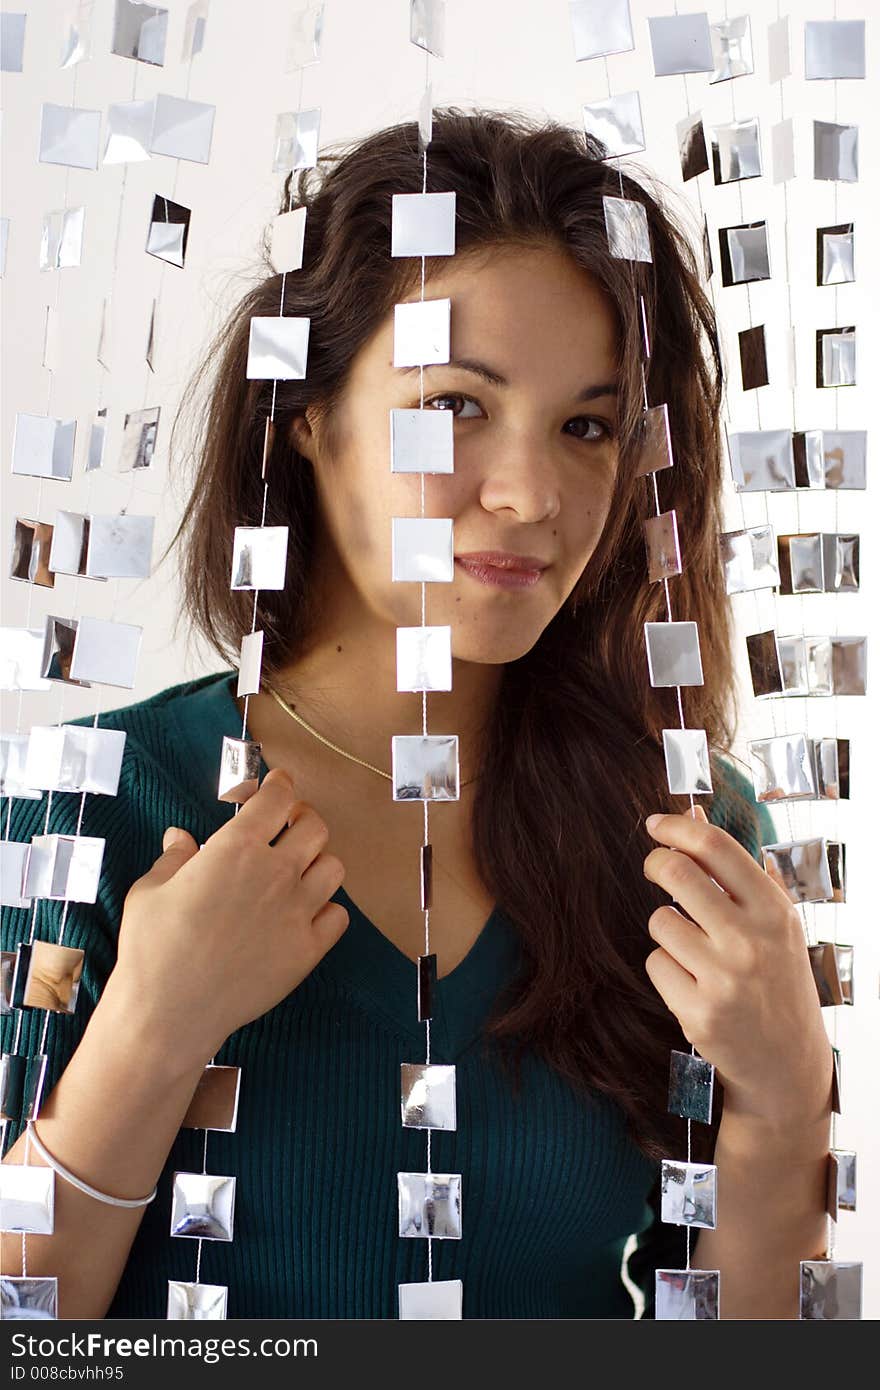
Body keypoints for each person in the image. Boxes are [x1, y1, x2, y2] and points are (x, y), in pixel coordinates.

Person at [1, 109, 833, 1320]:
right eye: (453, 405)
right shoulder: (97, 798)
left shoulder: (683, 833)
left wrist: (783, 1095)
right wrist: (146, 1036)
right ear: (308, 414)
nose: (529, 493)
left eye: (586, 426)